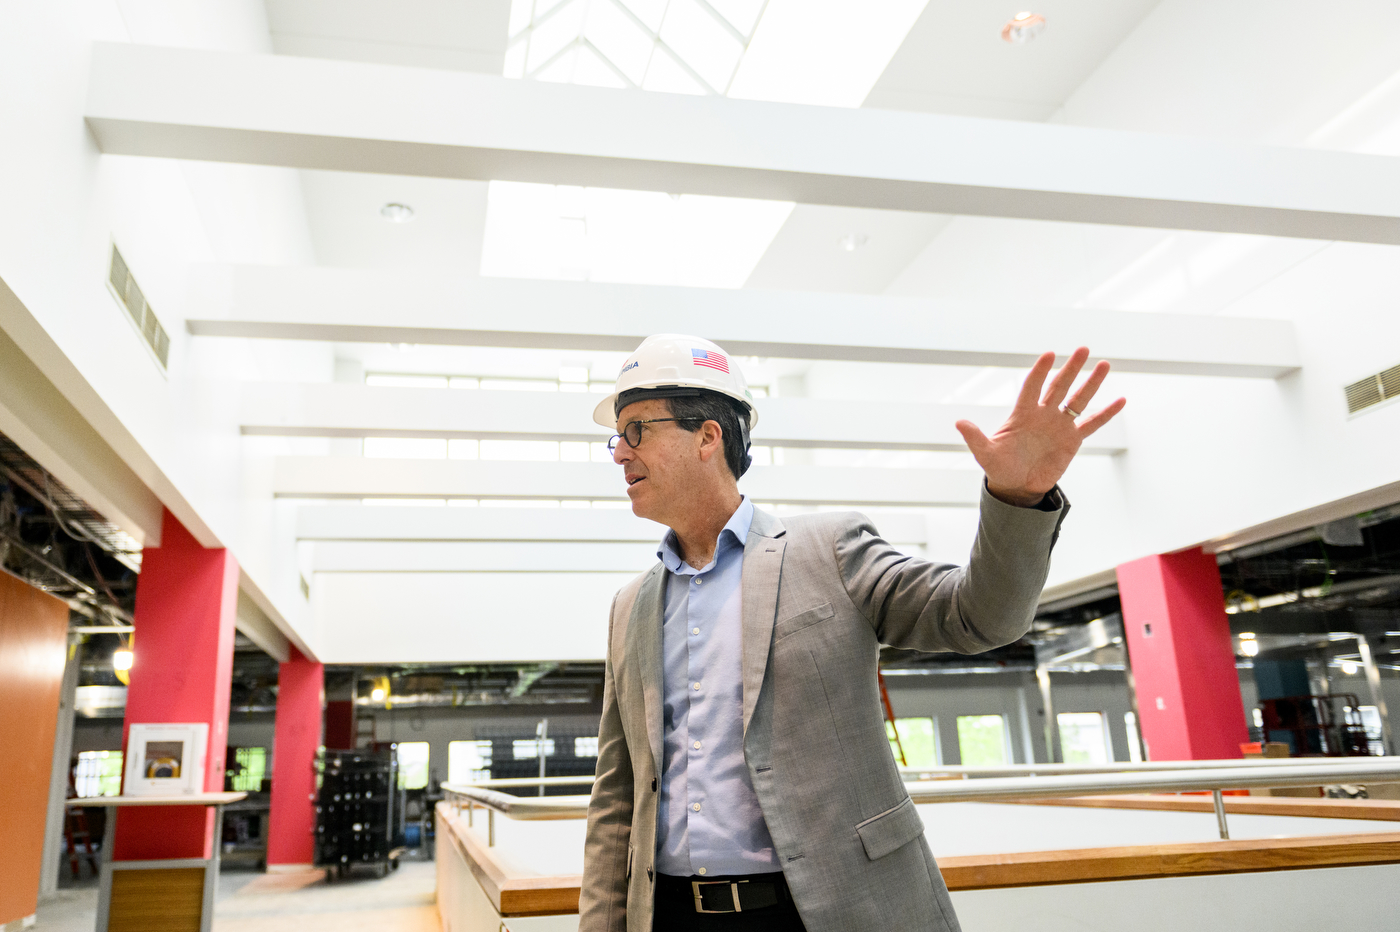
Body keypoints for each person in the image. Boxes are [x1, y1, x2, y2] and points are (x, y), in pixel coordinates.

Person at [580, 334, 1125, 932]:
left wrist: (1017, 498)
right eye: (617, 436)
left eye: (637, 431)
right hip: (670, 916)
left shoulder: (829, 552)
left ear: (708, 436)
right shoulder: (630, 606)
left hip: (824, 909)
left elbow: (978, 617)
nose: (618, 453)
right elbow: (617, 796)